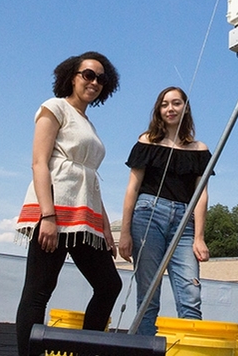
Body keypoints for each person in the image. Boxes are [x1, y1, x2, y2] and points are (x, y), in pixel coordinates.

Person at [14, 51, 122, 356]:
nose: (94, 82)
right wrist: (47, 216)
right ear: (71, 77)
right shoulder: (55, 107)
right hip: (55, 211)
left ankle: (87, 350)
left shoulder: (88, 123)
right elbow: (38, 163)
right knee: (38, 292)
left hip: (85, 218)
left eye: (101, 78)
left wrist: (105, 226)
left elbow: (90, 178)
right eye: (88, 74)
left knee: (109, 285)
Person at [118, 86, 212, 336]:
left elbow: (201, 194)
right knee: (148, 293)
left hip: (185, 221)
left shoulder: (200, 149)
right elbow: (132, 188)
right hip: (148, 214)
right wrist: (124, 233)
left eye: (176, 103)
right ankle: (142, 349)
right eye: (165, 104)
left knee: (190, 292)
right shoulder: (146, 141)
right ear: (158, 110)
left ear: (185, 108)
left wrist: (199, 237)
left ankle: (191, 348)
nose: (170, 108)